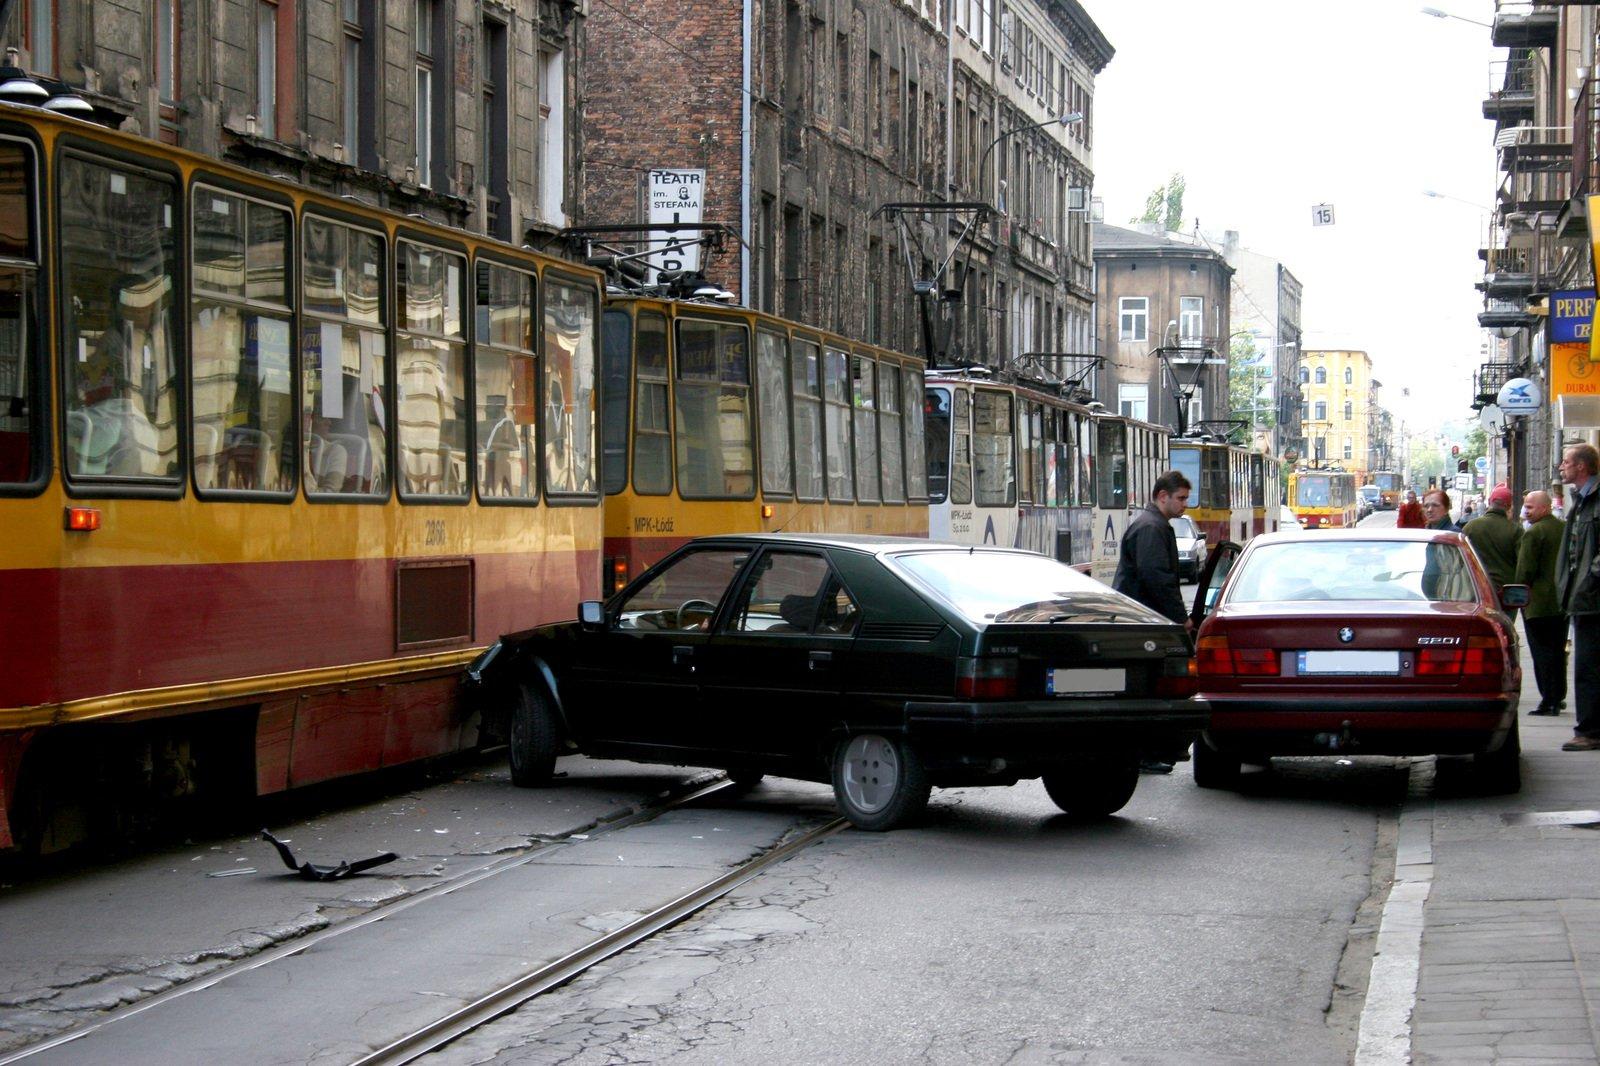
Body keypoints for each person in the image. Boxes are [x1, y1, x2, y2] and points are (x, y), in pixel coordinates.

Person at [1113, 469, 1192, 775]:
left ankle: (1147, 751)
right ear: (1163, 497)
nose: (1186, 504)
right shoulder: (1151, 528)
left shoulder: (1155, 524)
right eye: (1181, 498)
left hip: (1143, 619)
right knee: (1145, 689)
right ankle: (1144, 753)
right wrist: (1180, 619)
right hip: (1143, 621)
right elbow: (1157, 578)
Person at [1556, 442, 1600, 751]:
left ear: (1581, 467)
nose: (1561, 467)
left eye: (1566, 462)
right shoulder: (1583, 500)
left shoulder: (1594, 500)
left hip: (1593, 599)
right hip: (1584, 597)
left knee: (1588, 668)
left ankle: (1590, 731)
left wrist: (1590, 578)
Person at [1516, 490, 1566, 717]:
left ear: (1544, 508)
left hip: (1537, 603)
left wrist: (1518, 592)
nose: (1526, 510)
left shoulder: (1534, 532)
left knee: (1542, 653)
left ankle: (1548, 700)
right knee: (1557, 651)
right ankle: (1558, 696)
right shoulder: (1561, 528)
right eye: (1525, 505)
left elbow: (1525, 569)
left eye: (1531, 506)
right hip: (1560, 601)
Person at [1463, 482, 1522, 599]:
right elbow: (1522, 561)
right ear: (1509, 506)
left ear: (1490, 503)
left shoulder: (1470, 527)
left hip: (1476, 587)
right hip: (1506, 590)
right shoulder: (1515, 530)